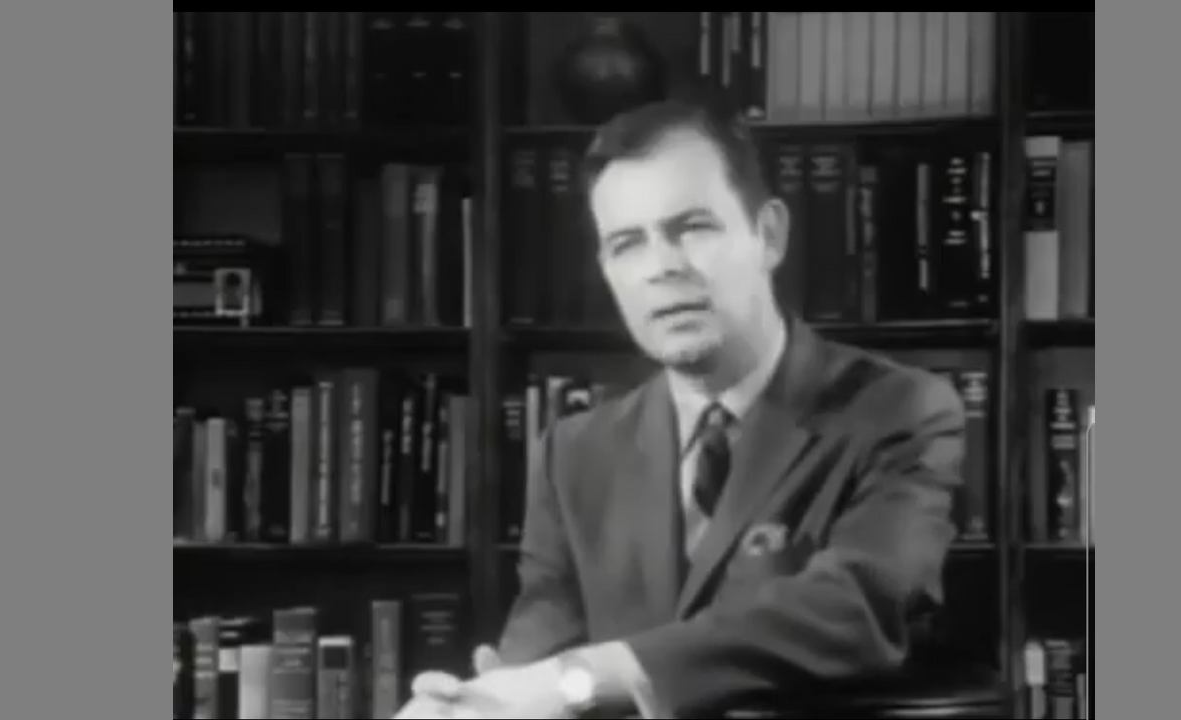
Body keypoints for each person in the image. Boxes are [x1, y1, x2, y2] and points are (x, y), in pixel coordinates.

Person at [396, 96, 967, 719]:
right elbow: (539, 658)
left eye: (692, 228)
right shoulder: (573, 454)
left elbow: (860, 607)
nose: (661, 268)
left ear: (769, 236)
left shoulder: (900, 410)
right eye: (626, 244)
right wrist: (473, 706)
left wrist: (586, 677)